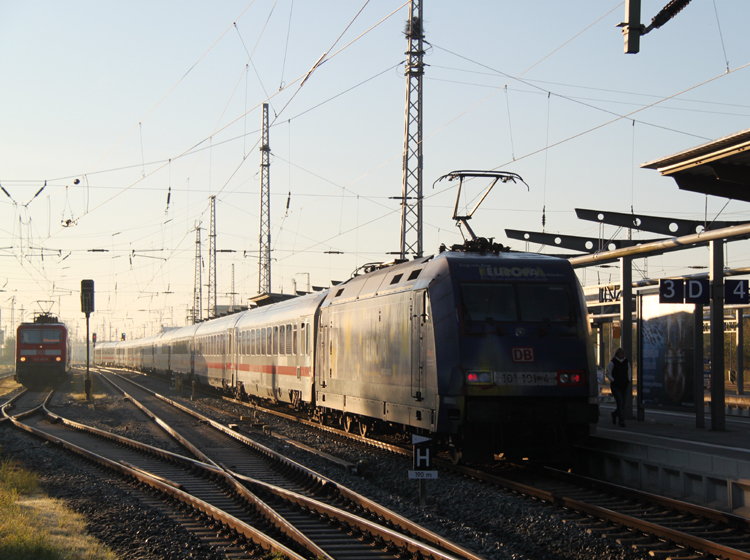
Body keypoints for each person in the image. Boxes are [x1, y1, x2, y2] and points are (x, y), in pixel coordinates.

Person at [606, 348, 631, 427]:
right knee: (620, 402)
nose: (621, 355)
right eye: (620, 354)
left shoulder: (626, 363)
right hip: (615, 386)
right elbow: (608, 373)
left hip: (623, 385)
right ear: (616, 354)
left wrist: (628, 380)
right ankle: (621, 421)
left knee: (622, 404)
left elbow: (629, 372)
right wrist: (613, 380)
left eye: (622, 354)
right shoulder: (612, 363)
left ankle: (614, 414)